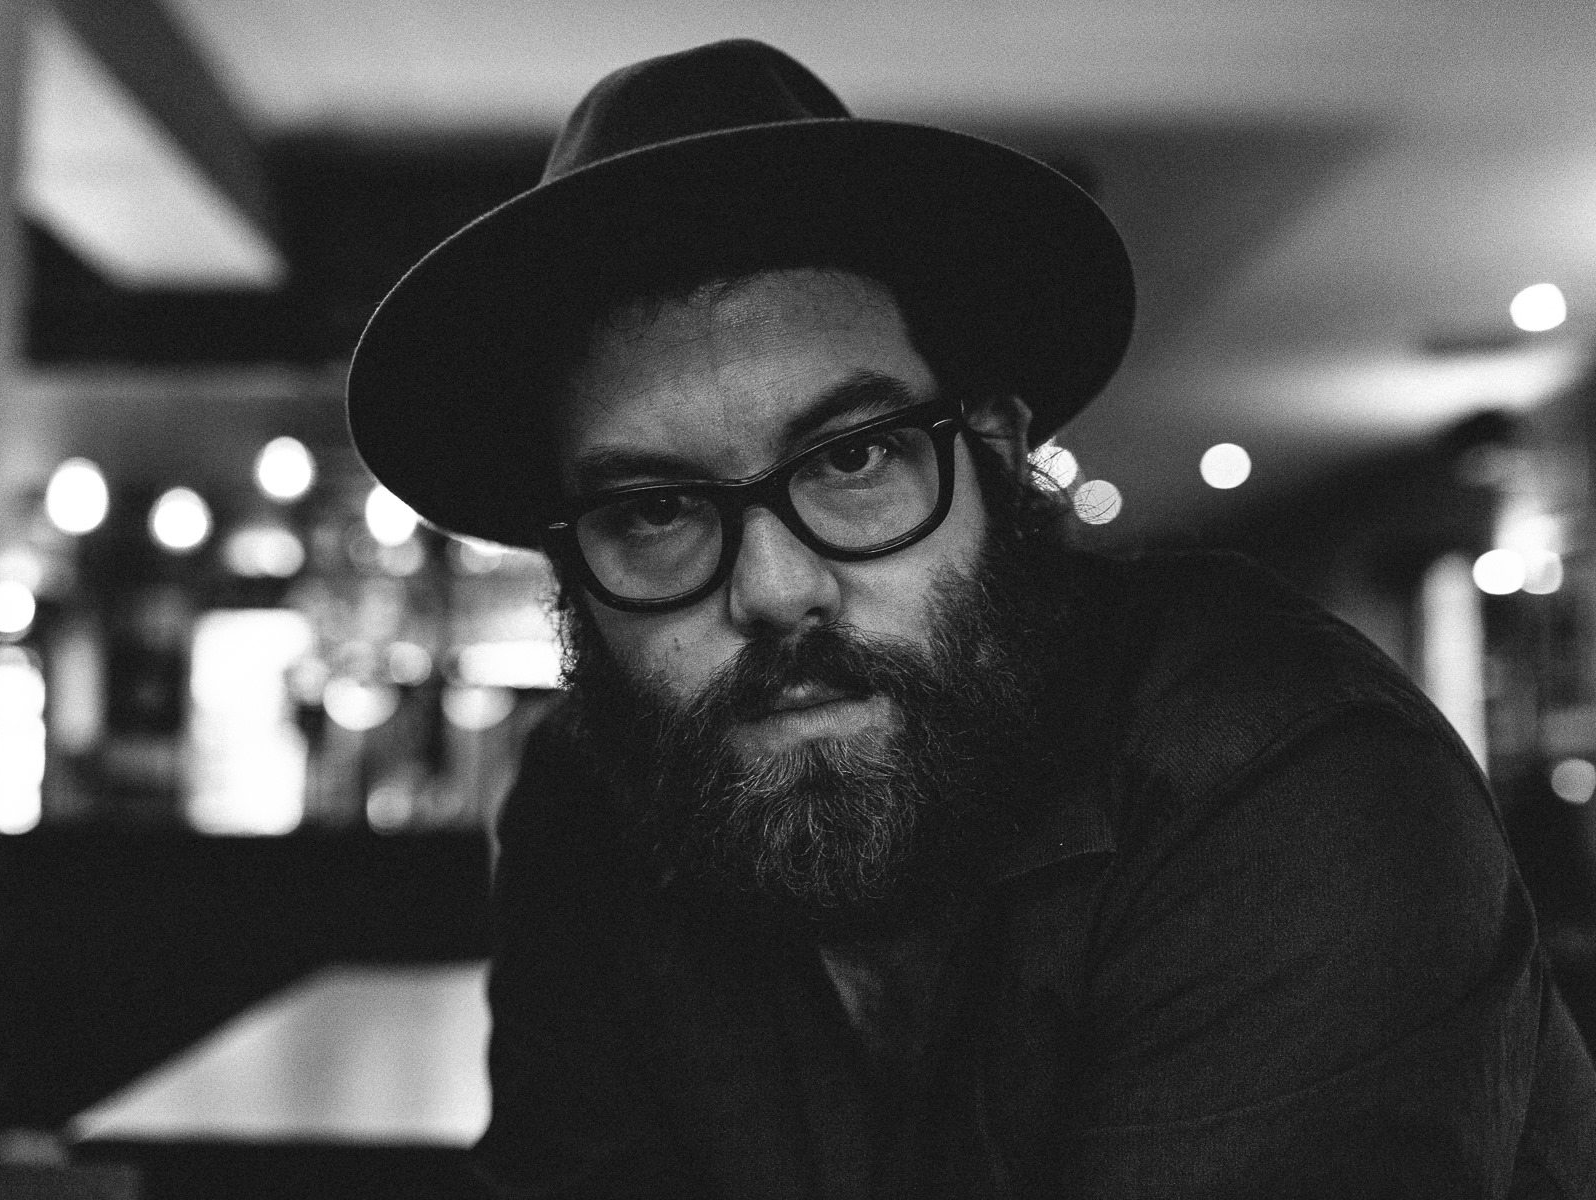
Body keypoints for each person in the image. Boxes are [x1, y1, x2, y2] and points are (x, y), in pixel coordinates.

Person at [347, 39, 1596, 1199]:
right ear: (574, 562)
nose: (774, 587)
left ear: (995, 456)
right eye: (656, 508)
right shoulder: (585, 809)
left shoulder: (1290, 779)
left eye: (853, 457)